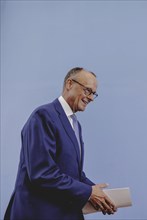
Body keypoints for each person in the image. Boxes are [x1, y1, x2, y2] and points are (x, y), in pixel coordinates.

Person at [4, 67, 117, 220]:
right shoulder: (43, 116)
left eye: (93, 94)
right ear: (69, 84)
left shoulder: (75, 124)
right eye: (87, 91)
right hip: (39, 214)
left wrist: (96, 192)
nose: (90, 98)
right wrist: (88, 192)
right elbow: (42, 174)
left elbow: (72, 173)